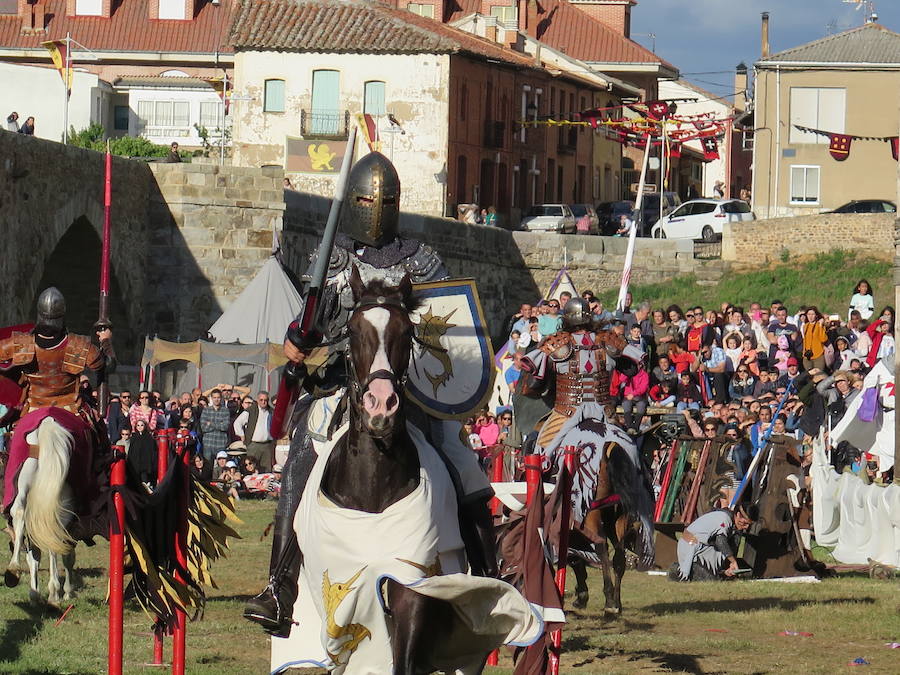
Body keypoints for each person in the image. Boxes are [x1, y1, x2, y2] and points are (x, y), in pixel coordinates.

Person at [245, 151, 495, 637]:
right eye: (366, 199)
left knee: (459, 463)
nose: (375, 208)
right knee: (300, 458)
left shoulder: (423, 261)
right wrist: (299, 337)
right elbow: (310, 324)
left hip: (409, 387)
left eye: (384, 200)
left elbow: (444, 331)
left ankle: (486, 580)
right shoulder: (329, 256)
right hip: (340, 383)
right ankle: (280, 587)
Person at [0, 288, 116, 530]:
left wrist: (13, 374)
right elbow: (107, 365)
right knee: (98, 437)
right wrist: (106, 340)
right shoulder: (78, 345)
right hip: (69, 409)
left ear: (40, 314)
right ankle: (94, 487)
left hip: (32, 410)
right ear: (62, 315)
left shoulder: (21, 343)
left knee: (14, 445)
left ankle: (10, 496)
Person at [670, 504, 757, 581]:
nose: (746, 527)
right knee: (707, 579)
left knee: (716, 578)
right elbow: (720, 542)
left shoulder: (734, 528)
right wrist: (733, 562)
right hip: (691, 547)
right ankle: (677, 570)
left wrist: (727, 570)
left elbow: (724, 548)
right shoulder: (724, 519)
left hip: (704, 549)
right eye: (745, 523)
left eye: (749, 525)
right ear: (738, 515)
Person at [233, 390, 274, 471]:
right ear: (257, 400)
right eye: (261, 400)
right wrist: (242, 435)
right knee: (252, 469)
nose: (263, 402)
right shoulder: (250, 410)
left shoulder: (271, 411)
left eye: (265, 400)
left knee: (266, 469)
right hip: (253, 445)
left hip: (267, 445)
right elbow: (237, 423)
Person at [199, 388, 230, 462]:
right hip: (208, 444)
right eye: (214, 397)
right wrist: (220, 424)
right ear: (211, 398)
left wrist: (211, 423)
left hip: (221, 444)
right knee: (207, 467)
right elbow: (203, 428)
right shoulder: (206, 410)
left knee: (220, 467)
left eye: (218, 397)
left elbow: (225, 427)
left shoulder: (225, 411)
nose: (216, 399)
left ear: (221, 398)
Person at [127, 419, 157, 489]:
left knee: (145, 482)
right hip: (135, 464)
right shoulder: (133, 438)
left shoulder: (149, 438)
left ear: (145, 426)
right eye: (138, 425)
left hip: (145, 464)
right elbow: (131, 451)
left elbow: (152, 452)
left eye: (142, 425)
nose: (140, 427)